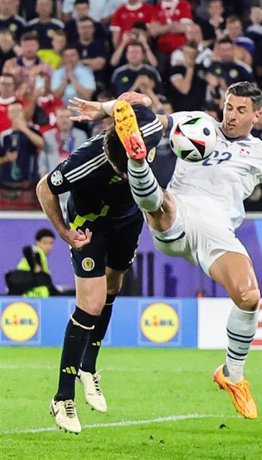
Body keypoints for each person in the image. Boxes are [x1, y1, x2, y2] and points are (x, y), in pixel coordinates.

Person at [69, 81, 262, 422]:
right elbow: (153, 122)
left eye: (240, 110)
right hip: (179, 210)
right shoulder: (198, 123)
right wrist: (105, 109)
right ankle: (138, 164)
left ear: (257, 115)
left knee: (249, 296)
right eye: (228, 107)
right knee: (158, 205)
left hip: (218, 231)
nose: (231, 116)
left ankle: (232, 374)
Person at [35, 95, 164, 434]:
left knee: (114, 285)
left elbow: (141, 101)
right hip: (89, 225)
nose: (134, 173)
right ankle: (63, 397)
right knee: (89, 304)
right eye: (128, 170)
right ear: (112, 159)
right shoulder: (85, 163)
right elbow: (44, 188)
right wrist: (63, 232)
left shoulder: (147, 127)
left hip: (128, 219)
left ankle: (89, 367)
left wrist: (107, 106)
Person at [13, 228, 57, 297]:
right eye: (45, 242)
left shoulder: (43, 259)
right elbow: (28, 249)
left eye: (51, 243)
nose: (48, 246)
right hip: (31, 298)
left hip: (40, 299)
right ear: (37, 242)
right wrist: (35, 266)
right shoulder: (37, 252)